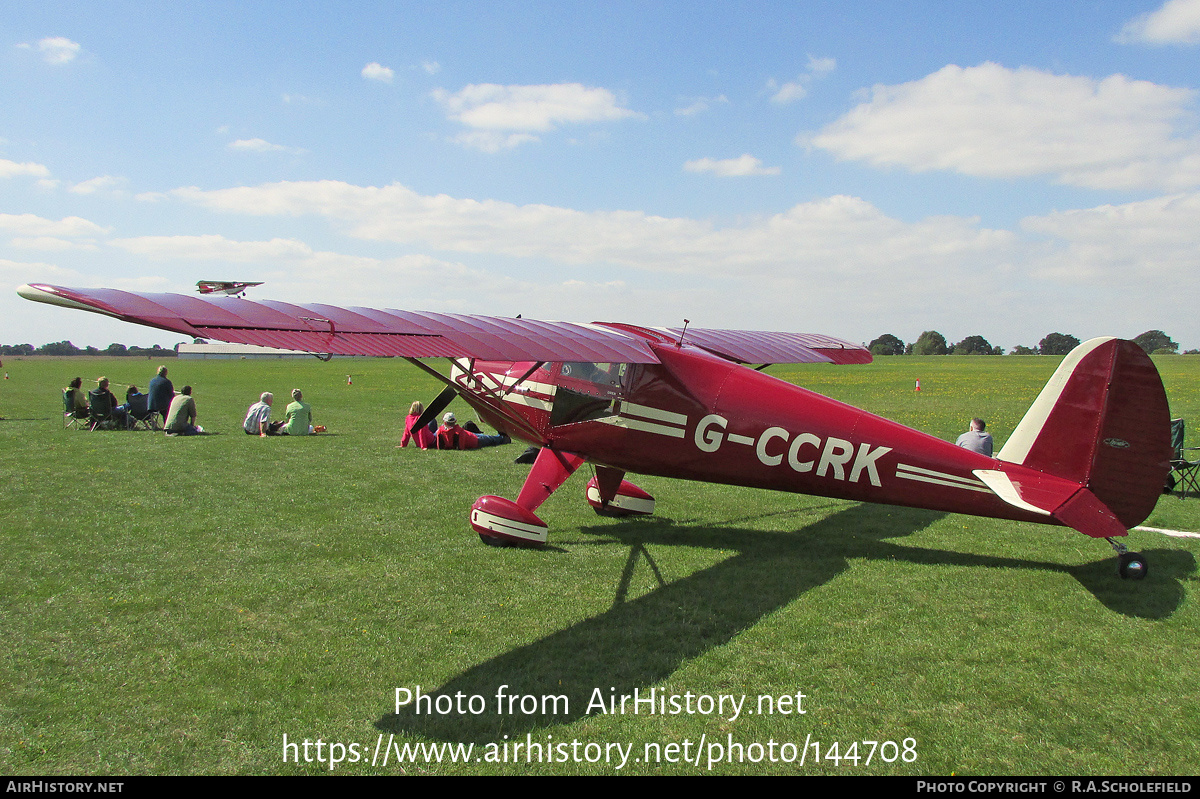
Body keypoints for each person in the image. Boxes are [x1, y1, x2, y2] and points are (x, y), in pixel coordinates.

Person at [436, 412, 510, 450]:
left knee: (487, 437)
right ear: (455, 421)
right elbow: (460, 447)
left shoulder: (440, 431)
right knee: (490, 439)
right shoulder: (458, 431)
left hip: (472, 437)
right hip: (474, 440)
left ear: (445, 422)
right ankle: (504, 438)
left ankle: (502, 437)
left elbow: (440, 446)